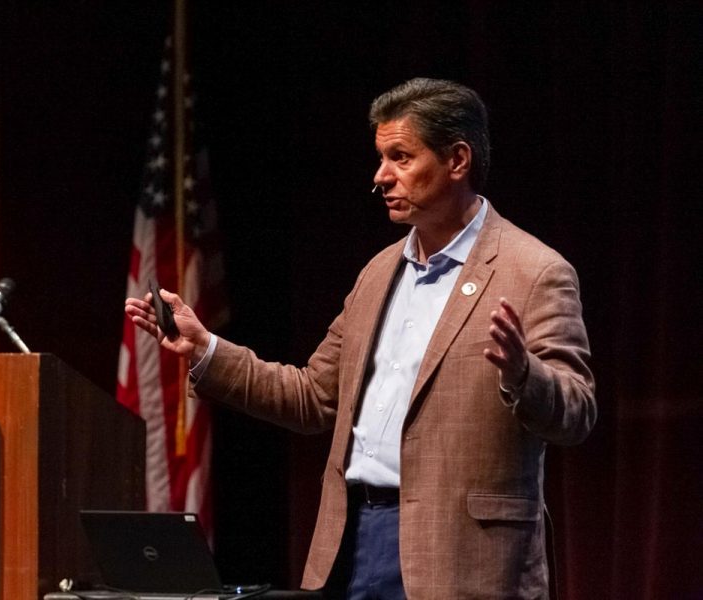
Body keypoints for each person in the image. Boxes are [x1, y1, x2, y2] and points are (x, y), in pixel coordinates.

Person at [125, 78, 596, 599]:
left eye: (400, 157)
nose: (381, 177)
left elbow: (576, 410)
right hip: (351, 543)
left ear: (457, 160)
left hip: (463, 559)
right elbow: (311, 396)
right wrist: (207, 349)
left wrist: (522, 375)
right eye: (380, 157)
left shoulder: (534, 271)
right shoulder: (378, 273)